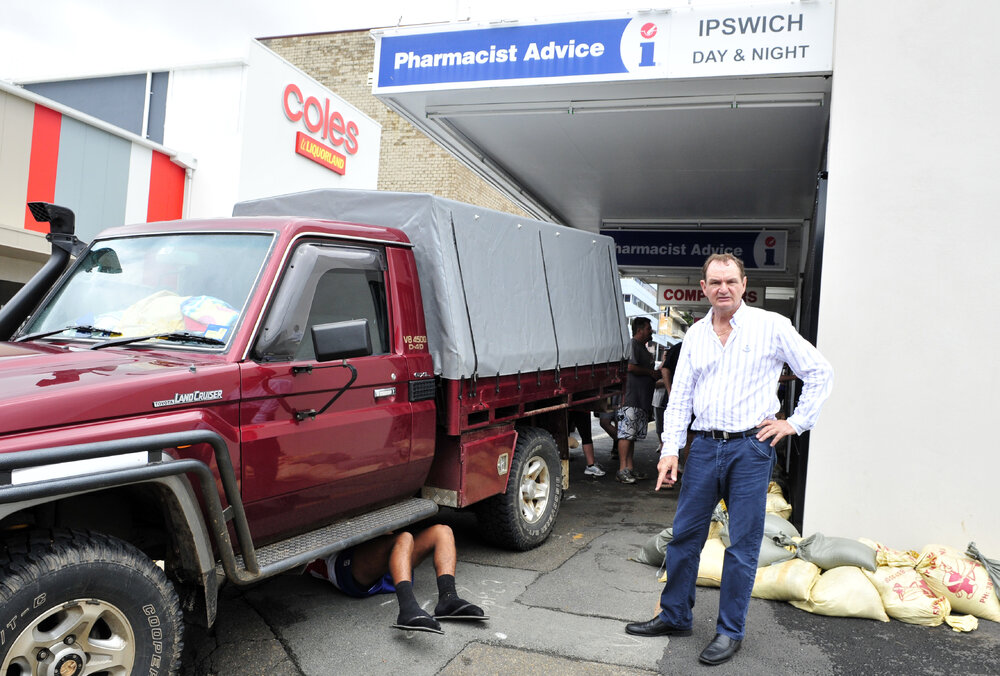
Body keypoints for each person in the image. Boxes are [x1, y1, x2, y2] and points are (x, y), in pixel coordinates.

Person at [625, 253, 833, 667]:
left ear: (744, 284)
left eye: (731, 282)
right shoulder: (697, 335)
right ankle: (675, 615)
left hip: (750, 449)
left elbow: (820, 372)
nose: (723, 288)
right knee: (685, 536)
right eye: (715, 282)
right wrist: (669, 450)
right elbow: (680, 396)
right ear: (703, 287)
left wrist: (794, 422)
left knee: (742, 544)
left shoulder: (771, 327)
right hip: (703, 447)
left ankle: (729, 631)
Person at [306, 524, 487, 634]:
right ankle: (408, 608)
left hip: (386, 559)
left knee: (443, 531)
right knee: (404, 538)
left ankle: (449, 599)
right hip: (341, 565)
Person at [615, 316, 659, 484]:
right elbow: (630, 367)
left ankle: (629, 468)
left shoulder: (642, 347)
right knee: (626, 434)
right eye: (648, 328)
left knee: (631, 436)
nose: (651, 331)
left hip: (641, 400)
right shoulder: (633, 345)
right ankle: (622, 469)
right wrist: (650, 373)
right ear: (639, 330)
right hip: (630, 399)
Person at [569, 409, 605, 477]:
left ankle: (591, 465)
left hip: (578, 406)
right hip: (578, 406)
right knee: (586, 436)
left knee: (586, 435)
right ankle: (590, 465)